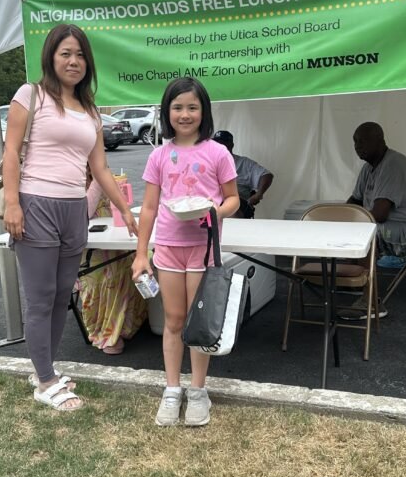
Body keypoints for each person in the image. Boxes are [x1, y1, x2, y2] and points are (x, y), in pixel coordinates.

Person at [3, 24, 138, 412]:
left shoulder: (91, 110)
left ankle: (46, 368)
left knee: (63, 295)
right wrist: (13, 204)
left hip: (74, 209)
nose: (73, 61)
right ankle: (45, 381)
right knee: (41, 298)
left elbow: (100, 168)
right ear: (51, 56)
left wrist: (125, 209)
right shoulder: (31, 95)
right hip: (36, 204)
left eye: (80, 54)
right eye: (65, 53)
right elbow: (11, 153)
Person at [131, 78, 239, 427]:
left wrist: (214, 212)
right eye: (177, 107)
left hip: (203, 249)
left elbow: (234, 199)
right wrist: (140, 253)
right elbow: (148, 208)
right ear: (167, 112)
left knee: (197, 323)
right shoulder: (159, 155)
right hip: (168, 248)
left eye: (192, 107)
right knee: (173, 321)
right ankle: (172, 388)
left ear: (203, 111)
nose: (185, 114)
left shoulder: (217, 152)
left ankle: (198, 391)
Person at [345, 122, 406, 318]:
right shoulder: (368, 168)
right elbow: (354, 201)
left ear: (380, 140)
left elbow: (379, 214)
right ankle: (357, 281)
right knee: (352, 228)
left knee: (366, 234)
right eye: (355, 141)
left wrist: (350, 222)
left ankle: (370, 303)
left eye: (363, 141)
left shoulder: (393, 165)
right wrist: (341, 218)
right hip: (398, 225)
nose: (357, 146)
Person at [81, 175, 147, 354]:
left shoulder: (100, 170)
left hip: (111, 238)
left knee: (139, 258)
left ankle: (128, 323)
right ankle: (109, 332)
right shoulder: (69, 176)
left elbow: (120, 205)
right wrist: (98, 179)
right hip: (83, 248)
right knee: (111, 271)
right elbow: (83, 213)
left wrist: (114, 187)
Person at [212, 130, 274, 218]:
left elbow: (267, 175)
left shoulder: (244, 163)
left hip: (237, 204)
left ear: (231, 145)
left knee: (230, 208)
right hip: (211, 202)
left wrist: (259, 194)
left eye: (223, 143)